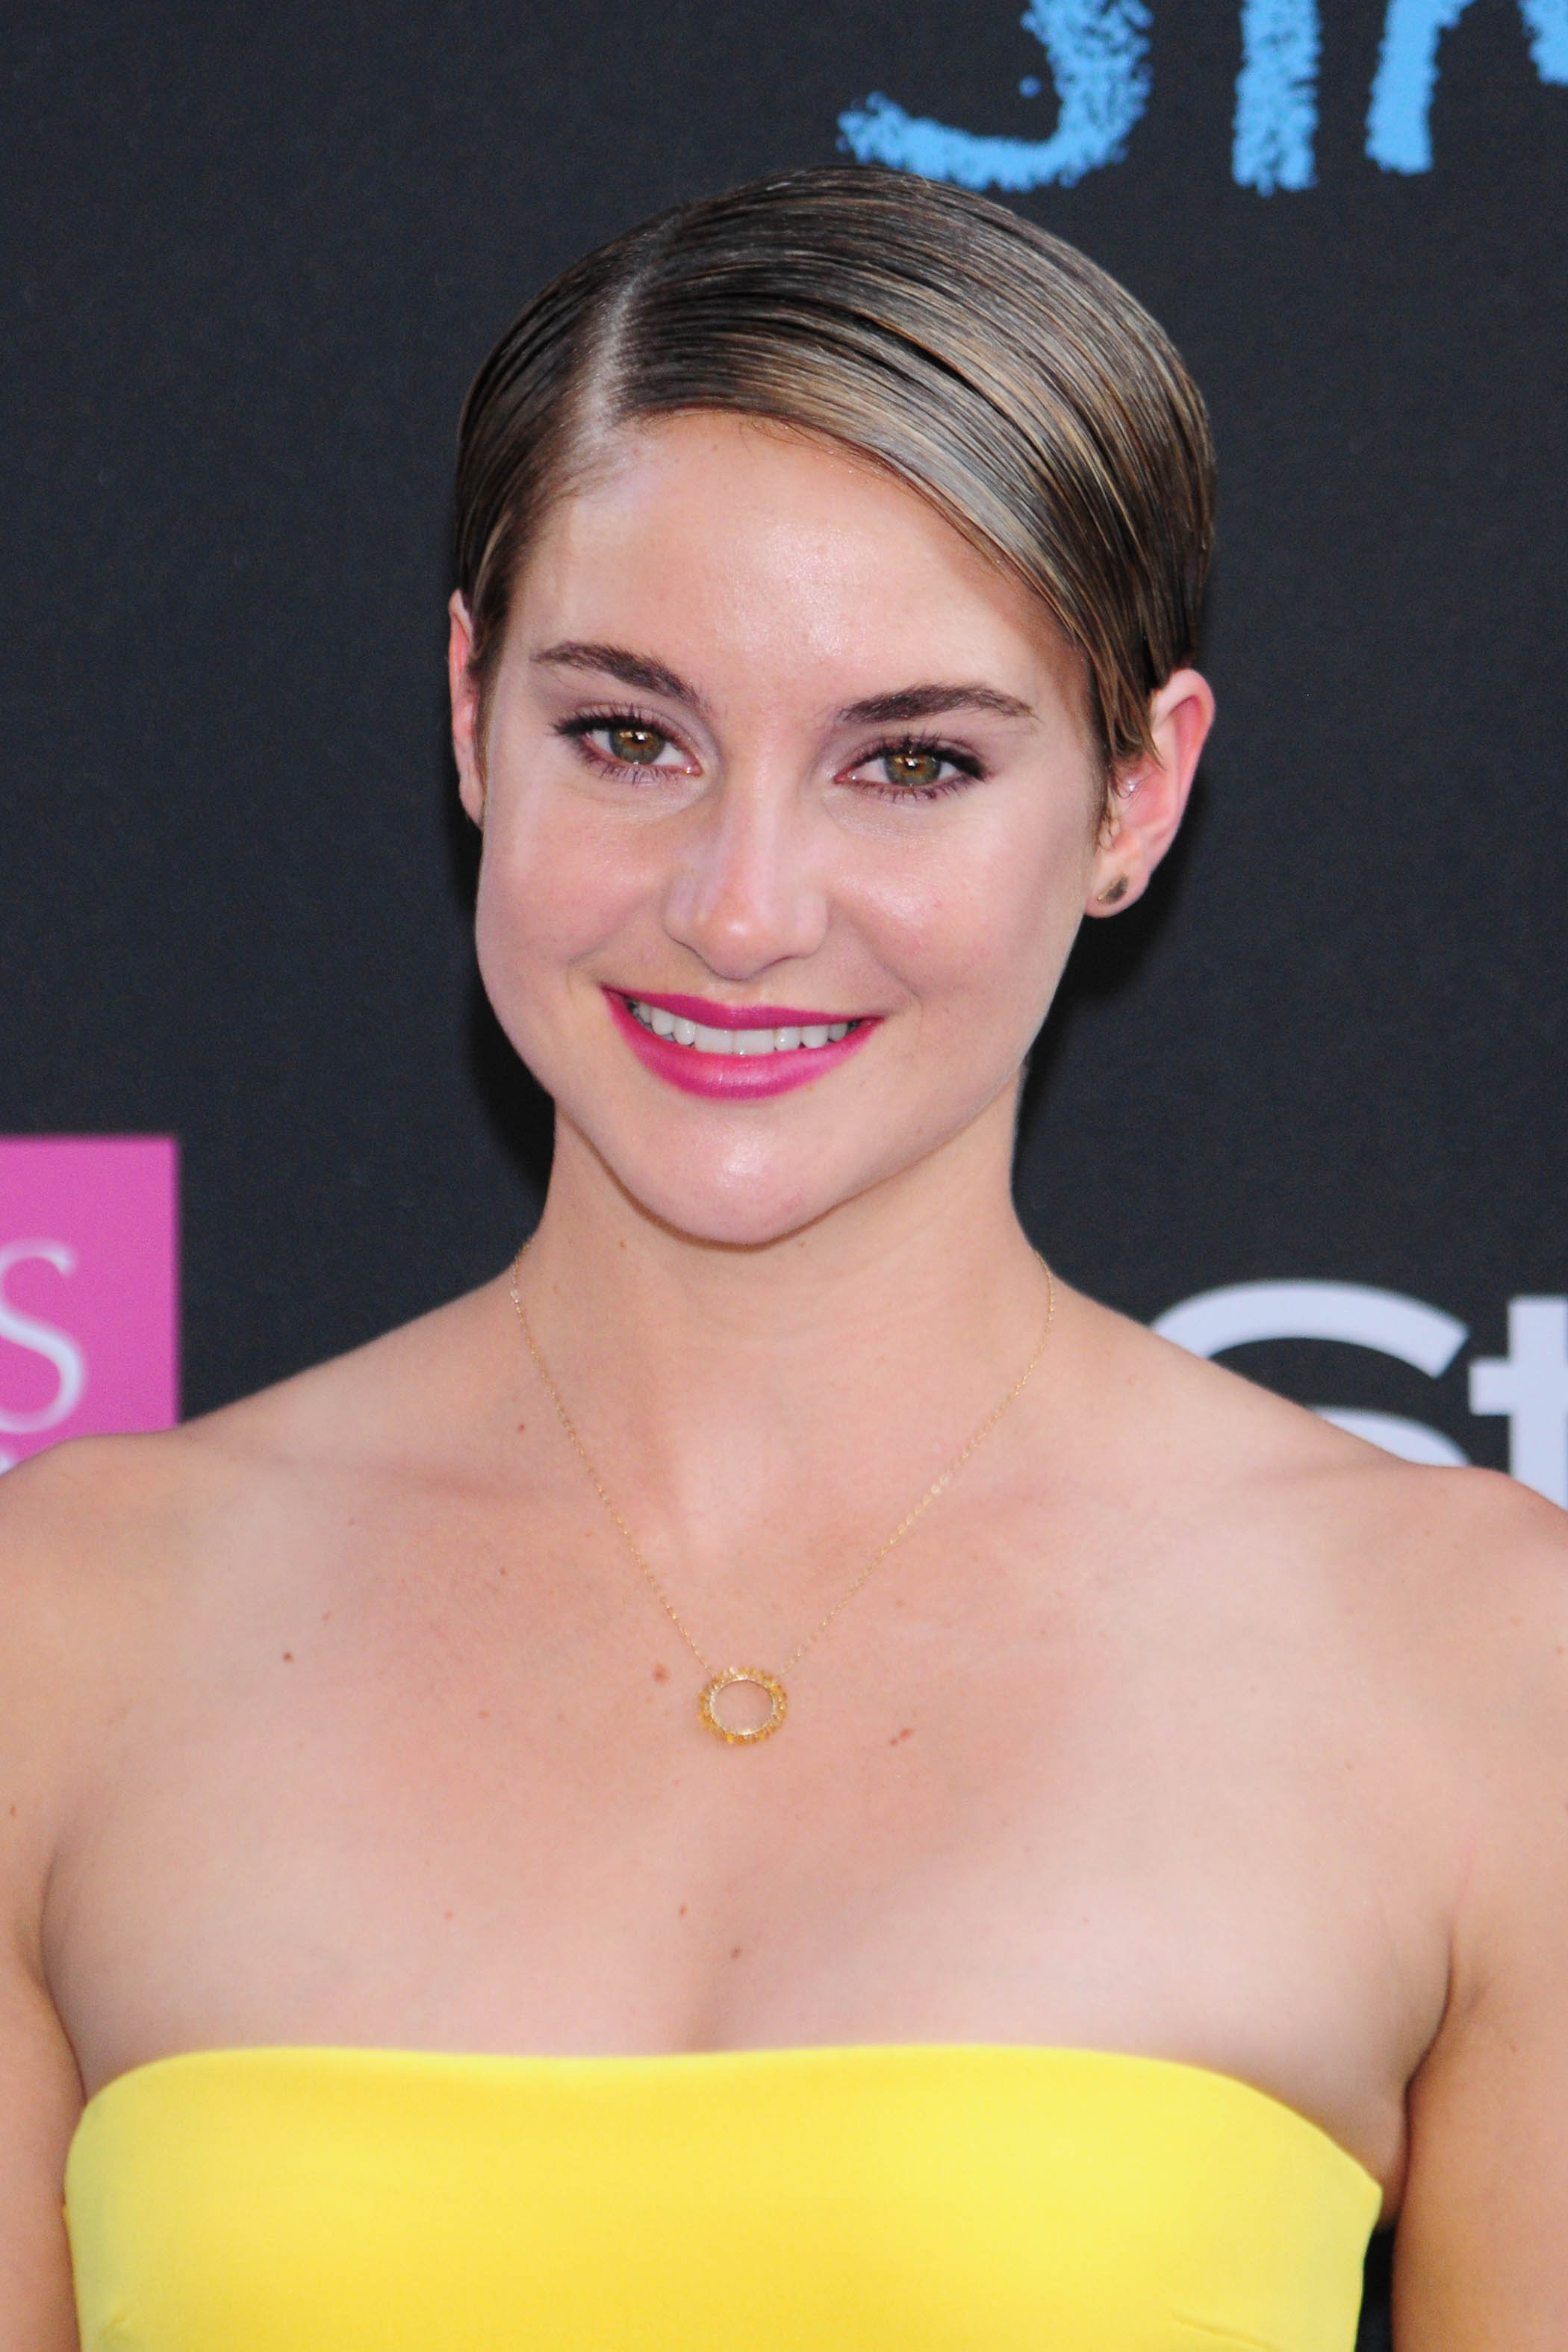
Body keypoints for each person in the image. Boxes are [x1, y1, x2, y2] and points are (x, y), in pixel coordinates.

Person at [4, 164, 1566, 2352]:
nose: (741, 909)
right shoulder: (63, 1628)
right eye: (627, 735)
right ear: (468, 714)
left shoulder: (1480, 1665)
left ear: (1134, 798)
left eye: (909, 762)